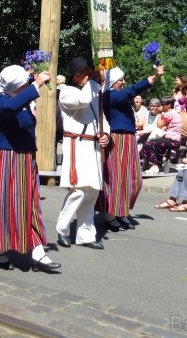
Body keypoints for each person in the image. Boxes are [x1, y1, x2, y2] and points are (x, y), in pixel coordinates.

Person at [0, 65, 60, 272]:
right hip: (6, 159)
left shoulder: (20, 102)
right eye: (24, 83)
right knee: (5, 205)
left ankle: (37, 251)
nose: (28, 84)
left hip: (23, 159)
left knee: (29, 203)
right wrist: (37, 84)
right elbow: (8, 109)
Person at [55, 57, 110, 250]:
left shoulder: (92, 91)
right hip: (77, 145)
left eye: (90, 71)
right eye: (86, 72)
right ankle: (62, 229)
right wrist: (94, 81)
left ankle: (85, 235)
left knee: (92, 191)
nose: (89, 74)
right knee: (78, 190)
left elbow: (101, 118)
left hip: (92, 148)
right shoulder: (66, 92)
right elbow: (83, 100)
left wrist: (106, 135)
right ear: (75, 75)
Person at [101, 65, 164, 231]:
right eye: (121, 80)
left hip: (128, 138)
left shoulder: (117, 96)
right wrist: (153, 78)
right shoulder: (109, 95)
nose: (124, 82)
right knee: (117, 177)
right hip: (118, 138)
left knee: (134, 179)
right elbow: (132, 91)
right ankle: (110, 214)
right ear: (113, 82)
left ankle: (121, 210)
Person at [141, 97, 183, 174]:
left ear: (169, 105)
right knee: (153, 143)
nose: (161, 107)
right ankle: (155, 165)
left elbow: (159, 125)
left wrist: (159, 113)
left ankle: (155, 165)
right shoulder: (172, 113)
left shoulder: (170, 114)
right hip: (171, 139)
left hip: (173, 140)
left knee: (148, 144)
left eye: (163, 105)